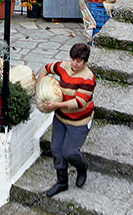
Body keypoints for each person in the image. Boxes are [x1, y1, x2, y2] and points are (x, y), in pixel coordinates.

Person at [39, 42, 96, 197]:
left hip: (79, 122)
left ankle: (81, 167)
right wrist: (39, 84)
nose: (74, 64)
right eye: (72, 59)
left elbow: (79, 103)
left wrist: (56, 104)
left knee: (69, 152)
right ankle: (62, 182)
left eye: (78, 61)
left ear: (85, 62)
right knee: (56, 150)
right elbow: (46, 68)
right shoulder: (63, 66)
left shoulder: (88, 78)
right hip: (61, 118)